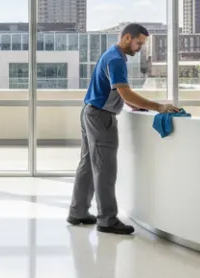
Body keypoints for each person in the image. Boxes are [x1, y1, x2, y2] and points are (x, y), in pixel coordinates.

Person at [69, 23, 180, 235]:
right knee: (105, 169)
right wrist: (159, 107)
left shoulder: (111, 55)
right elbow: (126, 94)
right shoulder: (117, 59)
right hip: (101, 118)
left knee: (88, 165)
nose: (141, 48)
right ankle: (107, 219)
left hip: (89, 112)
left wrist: (135, 105)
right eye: (139, 43)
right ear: (127, 38)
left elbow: (121, 95)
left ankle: (78, 211)